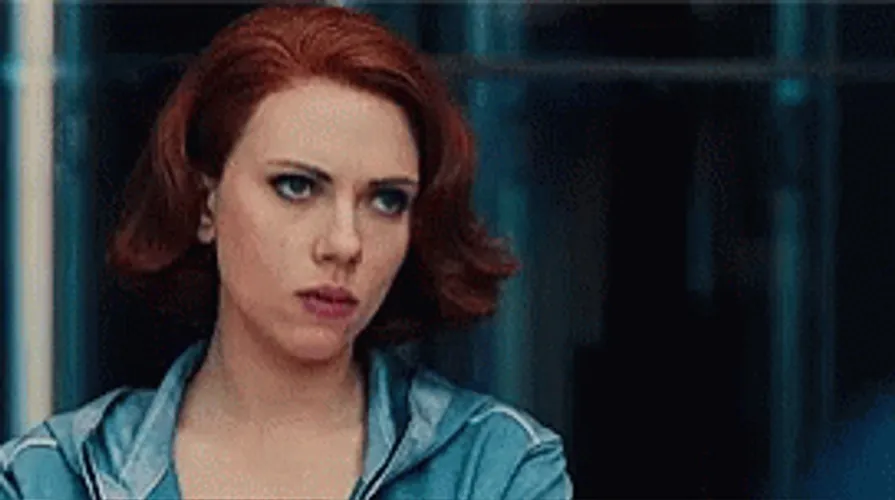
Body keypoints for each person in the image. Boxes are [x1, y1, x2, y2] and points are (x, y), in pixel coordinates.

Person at [0, 4, 573, 500]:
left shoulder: (493, 467)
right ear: (204, 204)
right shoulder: (55, 476)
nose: (345, 243)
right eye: (297, 186)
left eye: (387, 200)